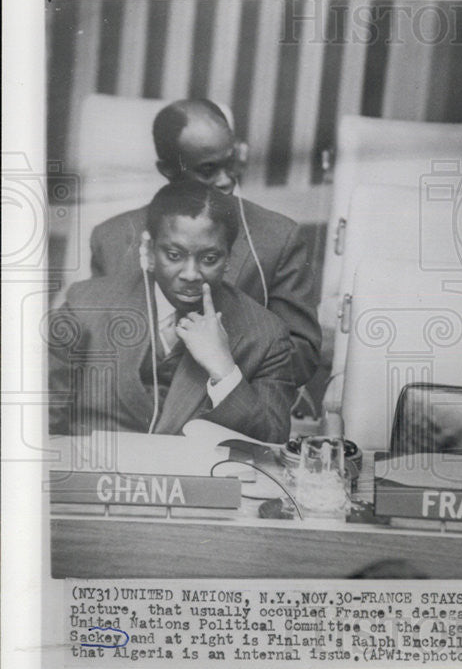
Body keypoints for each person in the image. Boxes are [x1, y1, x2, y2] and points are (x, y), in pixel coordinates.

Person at [88, 98, 321, 388]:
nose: (226, 181)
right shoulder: (111, 239)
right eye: (208, 169)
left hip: (224, 417)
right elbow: (95, 349)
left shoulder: (279, 238)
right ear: (168, 170)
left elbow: (302, 357)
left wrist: (215, 362)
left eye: (231, 163)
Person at [49, 181, 297, 443]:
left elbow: (273, 442)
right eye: (174, 255)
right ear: (148, 250)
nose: (191, 274)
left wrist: (224, 369)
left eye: (210, 259)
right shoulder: (83, 307)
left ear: (229, 259)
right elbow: (42, 427)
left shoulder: (266, 335)